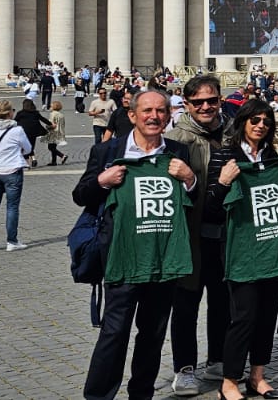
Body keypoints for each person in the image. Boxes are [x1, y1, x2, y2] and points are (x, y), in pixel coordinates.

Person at [75, 90, 197, 400]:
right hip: (123, 256)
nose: (154, 116)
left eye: (161, 110)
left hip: (163, 257)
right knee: (114, 333)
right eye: (147, 111)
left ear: (169, 115)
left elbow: (193, 202)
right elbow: (81, 196)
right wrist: (103, 180)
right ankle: (99, 395)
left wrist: (190, 179)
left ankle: (141, 393)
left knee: (153, 335)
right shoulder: (107, 151)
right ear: (132, 116)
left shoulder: (178, 151)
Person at [208, 99, 278, 400]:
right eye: (254, 119)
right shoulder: (225, 154)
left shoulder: (273, 156)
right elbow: (210, 207)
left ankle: (258, 376)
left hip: (272, 246)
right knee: (243, 316)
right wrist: (222, 183)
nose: (260, 125)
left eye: (266, 121)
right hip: (241, 249)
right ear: (243, 122)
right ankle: (230, 380)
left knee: (267, 316)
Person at [162, 76, 229, 394]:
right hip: (189, 236)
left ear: (219, 100)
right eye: (198, 102)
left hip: (227, 235)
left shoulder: (234, 133)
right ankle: (185, 368)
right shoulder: (176, 139)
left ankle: (218, 358)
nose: (206, 107)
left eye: (211, 100)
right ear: (186, 104)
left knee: (222, 301)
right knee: (186, 304)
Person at [0, 100, 32, 252]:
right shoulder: (17, 130)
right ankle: (12, 241)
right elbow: (28, 148)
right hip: (12, 170)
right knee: (12, 207)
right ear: (9, 113)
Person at [14, 98, 52, 168]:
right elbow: (43, 119)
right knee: (31, 146)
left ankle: (27, 163)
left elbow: (15, 121)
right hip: (34, 132)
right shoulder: (35, 112)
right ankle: (33, 159)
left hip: (24, 132)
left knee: (25, 147)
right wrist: (50, 124)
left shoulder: (20, 113)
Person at [46, 100, 70, 165]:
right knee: (53, 147)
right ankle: (54, 161)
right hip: (59, 132)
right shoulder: (61, 115)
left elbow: (51, 124)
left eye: (51, 106)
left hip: (53, 132)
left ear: (54, 107)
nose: (50, 108)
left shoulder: (52, 114)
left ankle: (62, 156)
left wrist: (47, 127)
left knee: (50, 147)